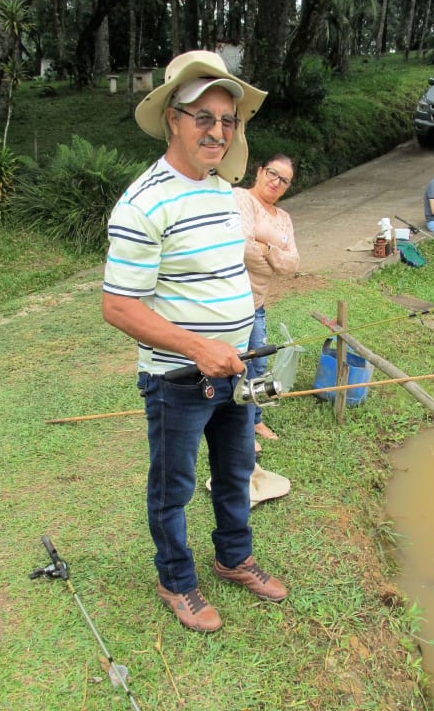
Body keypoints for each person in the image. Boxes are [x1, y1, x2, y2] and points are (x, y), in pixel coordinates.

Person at [102, 50, 288, 634]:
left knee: (236, 471)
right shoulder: (142, 203)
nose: (217, 130)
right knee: (174, 487)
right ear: (172, 120)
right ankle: (175, 580)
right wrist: (199, 348)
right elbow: (118, 305)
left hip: (234, 369)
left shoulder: (217, 187)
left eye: (227, 119)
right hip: (178, 380)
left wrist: (234, 334)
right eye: (202, 116)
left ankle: (234, 558)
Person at [234, 155, 299, 448]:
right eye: (273, 174)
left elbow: (292, 265)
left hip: (257, 304)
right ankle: (239, 431)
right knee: (235, 367)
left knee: (258, 365)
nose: (276, 182)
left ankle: (255, 419)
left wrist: (268, 249)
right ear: (260, 172)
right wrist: (275, 257)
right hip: (232, 304)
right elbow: (241, 246)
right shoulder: (242, 200)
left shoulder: (283, 218)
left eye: (283, 180)